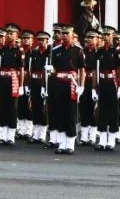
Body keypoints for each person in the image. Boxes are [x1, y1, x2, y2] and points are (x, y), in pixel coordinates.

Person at [51, 24, 85, 154]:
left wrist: (81, 85)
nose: (64, 36)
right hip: (59, 82)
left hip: (72, 83)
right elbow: (54, 68)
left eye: (67, 34)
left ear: (72, 35)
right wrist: (50, 70)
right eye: (63, 34)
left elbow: (82, 69)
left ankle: (70, 144)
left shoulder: (77, 50)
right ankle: (61, 143)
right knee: (60, 113)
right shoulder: (56, 50)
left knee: (71, 113)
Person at [94, 26, 120, 151]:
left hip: (112, 82)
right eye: (104, 35)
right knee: (102, 112)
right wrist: (94, 87)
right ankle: (102, 139)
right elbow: (96, 70)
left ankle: (111, 140)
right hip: (102, 81)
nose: (106, 37)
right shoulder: (99, 51)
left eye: (108, 35)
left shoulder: (116, 51)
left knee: (112, 111)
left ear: (112, 36)